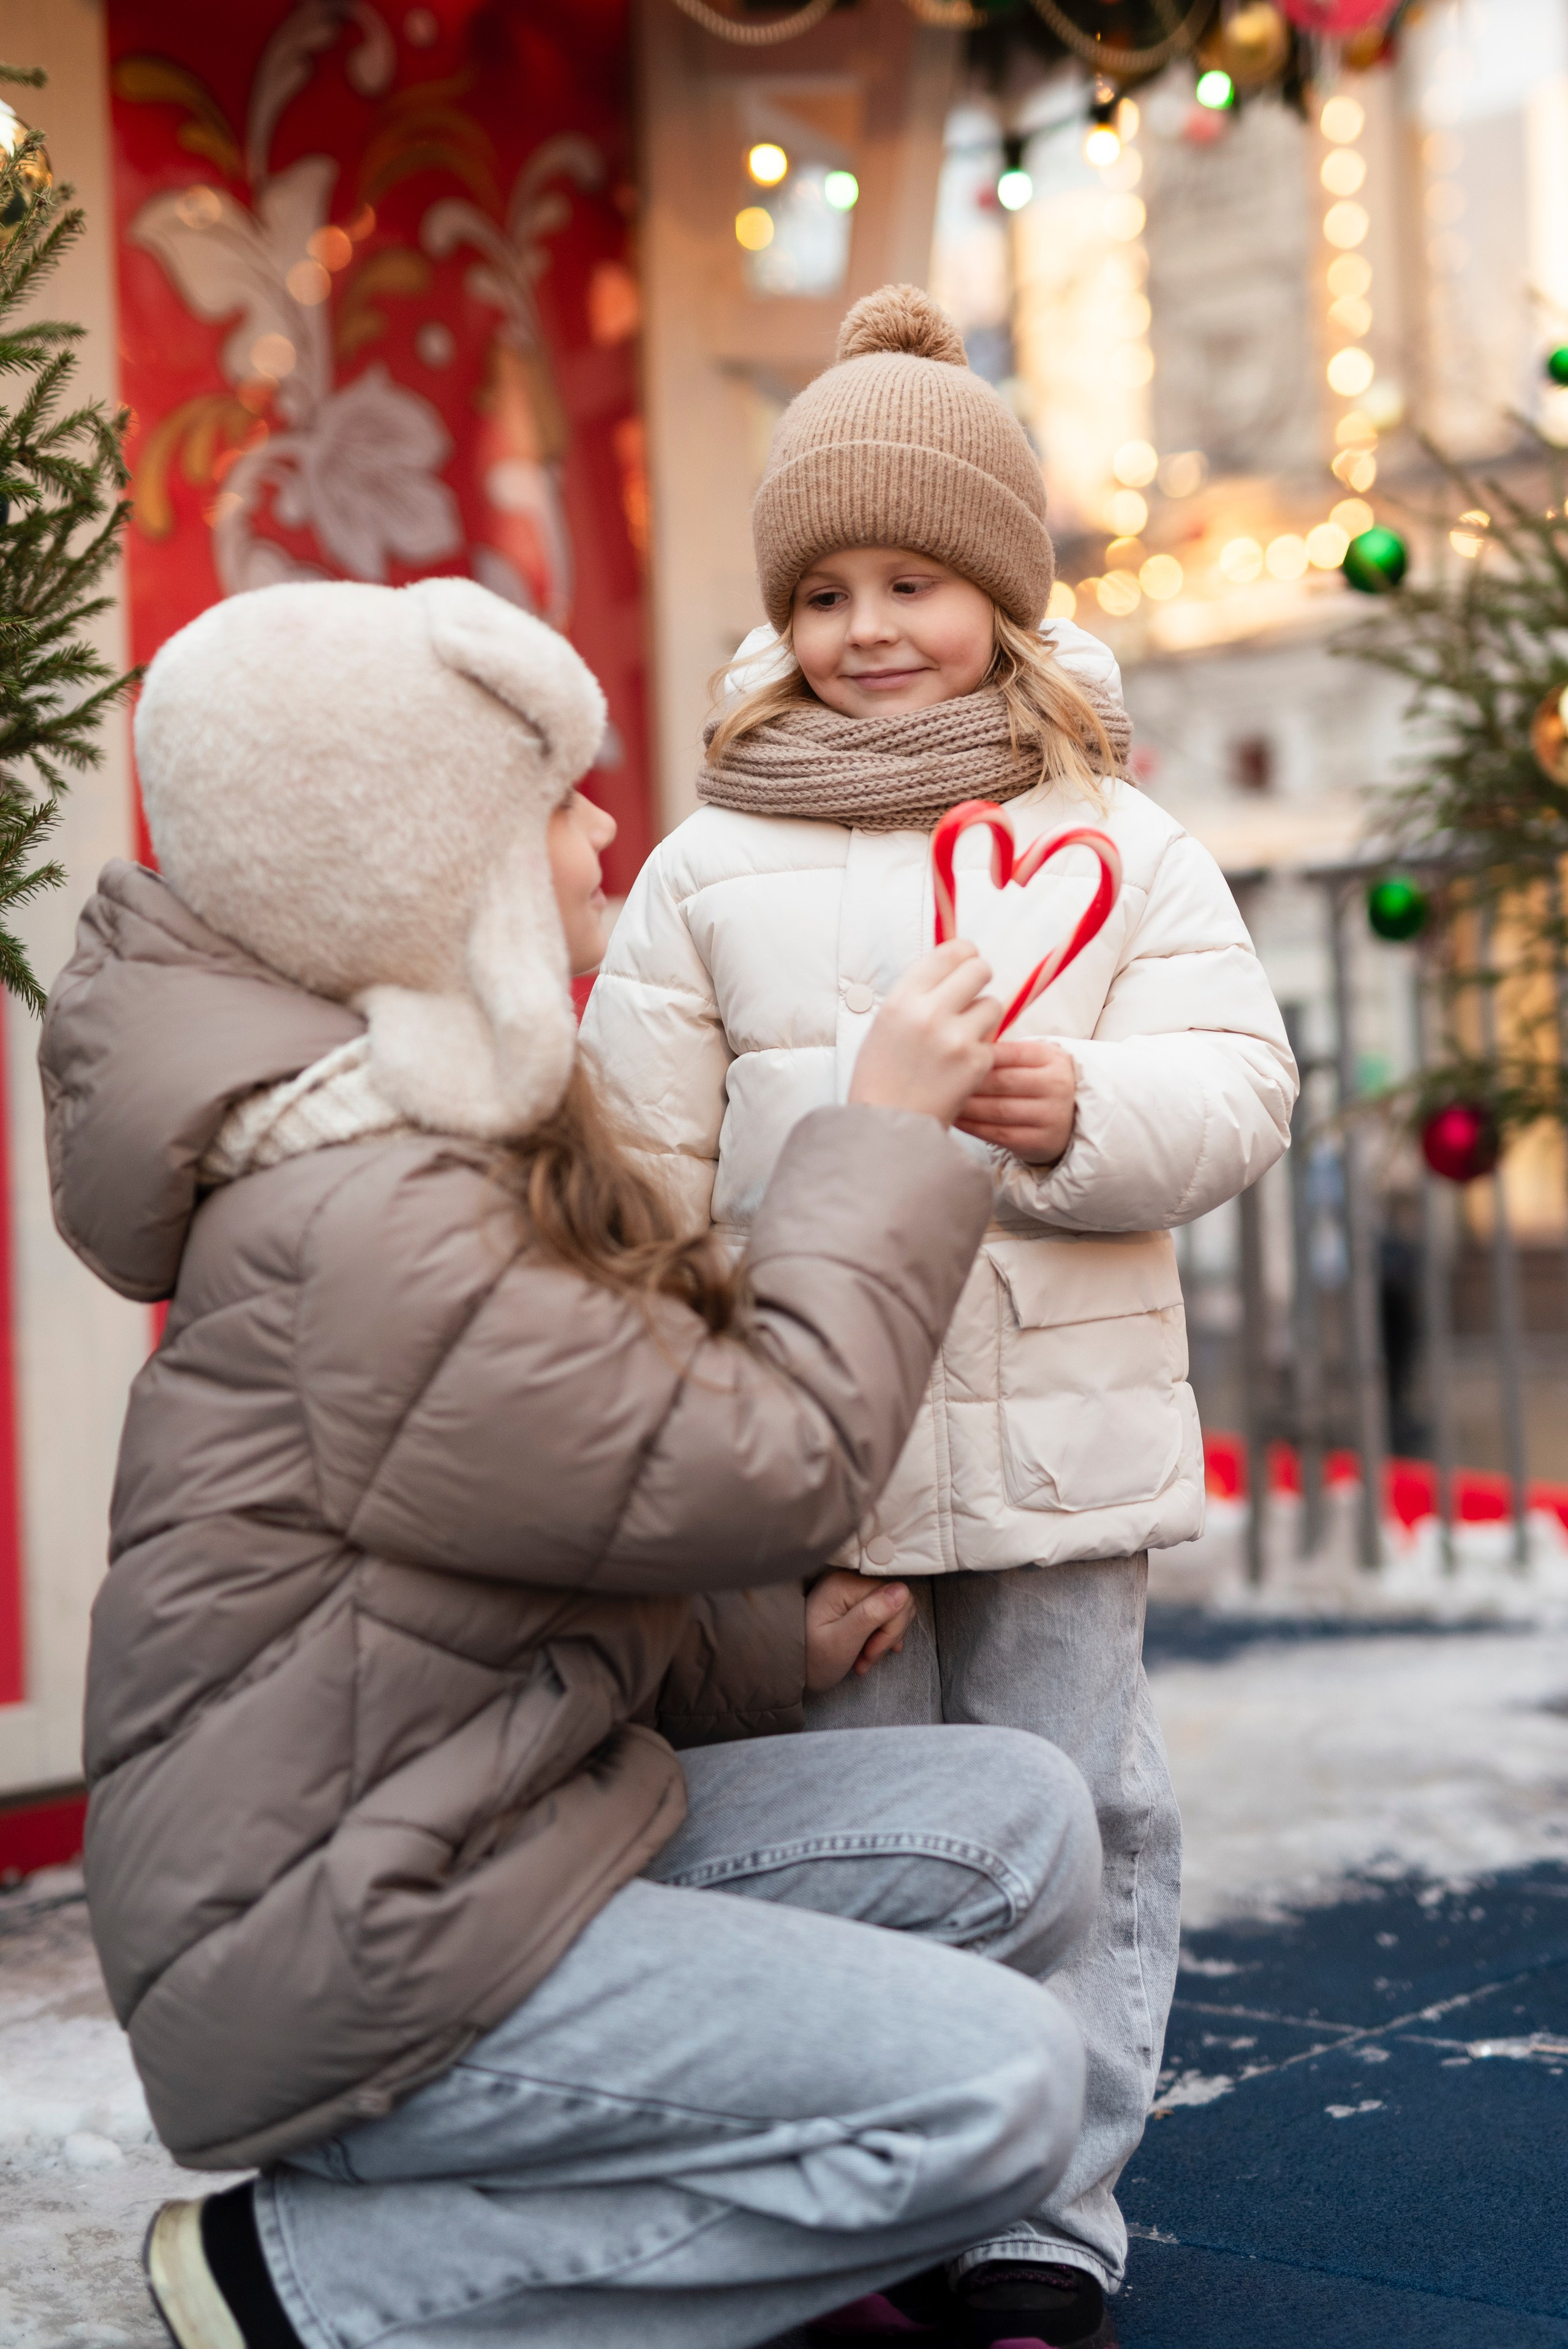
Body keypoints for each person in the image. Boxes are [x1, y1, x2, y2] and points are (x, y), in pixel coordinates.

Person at [40, 575, 1104, 2349]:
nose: (605, 828)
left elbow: (537, 1527)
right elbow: (779, 1455)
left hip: (470, 1842)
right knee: (1002, 2086)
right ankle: (313, 2284)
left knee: (1015, 1816)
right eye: (554, 801)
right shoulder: (369, 1213)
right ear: (427, 863)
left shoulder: (398, 1140)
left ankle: (673, 2215)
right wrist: (882, 1135)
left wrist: (756, 1639)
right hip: (355, 1953)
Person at [581, 284, 1299, 2343]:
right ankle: (887, 2173)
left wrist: (1081, 1111)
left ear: (1000, 588)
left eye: (914, 581)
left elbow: (1241, 1083)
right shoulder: (711, 866)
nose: (868, 627)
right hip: (832, 1453)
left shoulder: (1118, 838)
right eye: (824, 592)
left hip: (1061, 1447)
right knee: (874, 1825)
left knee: (1079, 1805)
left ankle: (1048, 2212)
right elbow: (633, 1162)